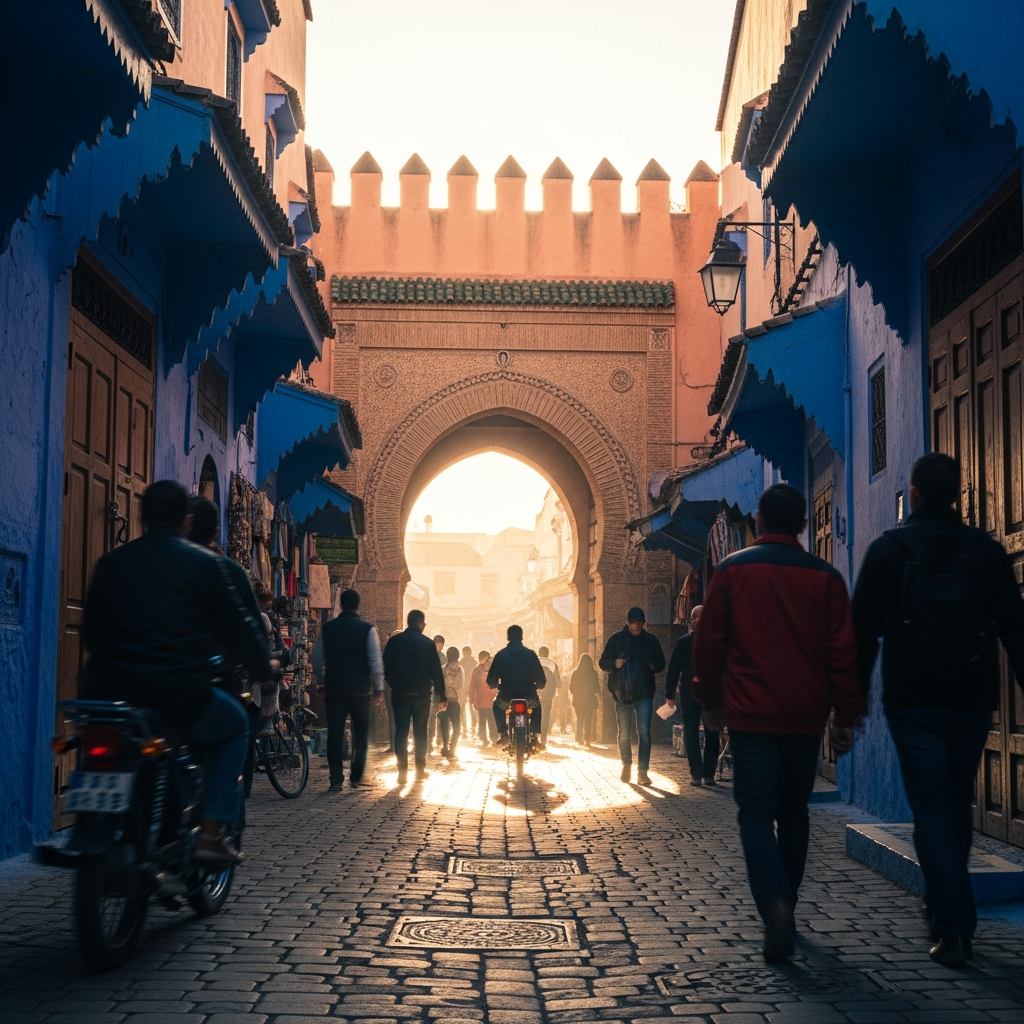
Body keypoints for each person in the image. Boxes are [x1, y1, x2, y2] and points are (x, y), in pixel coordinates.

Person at [852, 452, 1024, 965]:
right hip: (972, 697)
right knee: (954, 805)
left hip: (913, 698)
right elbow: (1016, 630)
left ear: (916, 493)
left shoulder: (890, 549)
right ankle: (944, 903)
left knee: (931, 807)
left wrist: (851, 700)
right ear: (958, 493)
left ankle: (953, 926)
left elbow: (862, 634)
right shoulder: (987, 552)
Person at [694, 483, 866, 963]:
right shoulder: (827, 578)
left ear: (759, 522)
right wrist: (845, 716)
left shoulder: (731, 572)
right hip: (804, 719)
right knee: (793, 811)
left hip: (750, 718)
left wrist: (709, 700)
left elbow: (709, 644)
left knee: (754, 812)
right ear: (804, 526)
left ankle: (774, 905)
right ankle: (786, 898)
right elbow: (842, 652)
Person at [82, 480, 272, 865]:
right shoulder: (208, 565)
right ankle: (210, 834)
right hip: (176, 693)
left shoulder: (111, 562)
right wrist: (262, 665)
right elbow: (239, 629)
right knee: (235, 726)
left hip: (108, 692)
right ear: (186, 521)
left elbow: (90, 632)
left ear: (142, 515)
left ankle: (93, 826)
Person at [311, 589, 384, 792]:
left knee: (335, 733)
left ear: (341, 605)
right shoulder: (367, 629)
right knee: (361, 733)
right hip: (361, 690)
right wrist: (378, 687)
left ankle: (336, 779)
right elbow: (375, 661)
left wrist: (320, 681)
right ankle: (356, 775)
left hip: (335, 688)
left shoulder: (328, 628)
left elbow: (317, 658)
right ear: (358, 604)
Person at [599, 607, 666, 786]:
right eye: (633, 623)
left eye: (639, 624)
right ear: (628, 622)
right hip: (621, 694)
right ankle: (626, 764)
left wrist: (654, 665)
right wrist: (614, 663)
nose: (636, 627)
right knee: (623, 733)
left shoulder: (650, 641)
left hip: (644, 693)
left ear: (643, 624)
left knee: (644, 732)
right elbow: (602, 662)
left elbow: (661, 662)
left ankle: (642, 771)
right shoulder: (617, 639)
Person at [383, 611, 446, 783]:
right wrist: (442, 695)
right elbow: (436, 672)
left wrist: (393, 682)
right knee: (420, 732)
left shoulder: (395, 642)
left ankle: (402, 772)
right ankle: (420, 769)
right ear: (420, 624)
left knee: (401, 732)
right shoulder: (427, 644)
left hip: (400, 693)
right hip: (422, 695)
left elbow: (386, 665)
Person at [665, 605, 719, 786]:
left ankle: (698, 775)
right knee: (710, 733)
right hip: (706, 694)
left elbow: (674, 669)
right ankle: (706, 775)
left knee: (693, 732)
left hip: (694, 694)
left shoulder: (684, 642)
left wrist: (670, 693)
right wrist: (670, 692)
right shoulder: (715, 642)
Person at [487, 625, 547, 746]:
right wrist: (539, 685)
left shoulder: (501, 655)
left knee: (497, 707)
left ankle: (503, 733)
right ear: (521, 637)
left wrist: (495, 685)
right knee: (536, 708)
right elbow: (541, 679)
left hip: (506, 695)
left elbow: (491, 678)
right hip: (528, 694)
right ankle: (535, 736)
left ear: (508, 637)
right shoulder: (531, 655)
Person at [438, 646, 466, 760]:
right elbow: (460, 685)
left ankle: (445, 747)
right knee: (456, 726)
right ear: (458, 656)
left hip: (443, 701)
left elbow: (438, 684)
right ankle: (452, 748)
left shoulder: (443, 668)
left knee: (444, 726)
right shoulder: (460, 669)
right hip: (455, 701)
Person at [568, 653, 599, 746]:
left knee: (580, 718)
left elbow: (571, 688)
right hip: (590, 699)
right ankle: (587, 739)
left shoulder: (575, 673)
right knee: (588, 719)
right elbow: (596, 687)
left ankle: (579, 738)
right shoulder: (594, 673)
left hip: (578, 700)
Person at [468, 651, 498, 745]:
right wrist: (471, 696)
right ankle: (487, 738)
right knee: (485, 719)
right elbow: (472, 684)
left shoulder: (488, 669)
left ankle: (490, 738)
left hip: (489, 698)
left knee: (489, 719)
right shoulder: (478, 669)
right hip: (482, 698)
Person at [537, 645, 563, 746]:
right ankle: (543, 739)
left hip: (534, 693)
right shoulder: (553, 664)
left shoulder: (532, 662)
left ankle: (533, 734)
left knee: (533, 712)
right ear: (548, 654)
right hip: (548, 694)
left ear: (538, 653)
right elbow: (559, 683)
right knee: (546, 715)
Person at [429, 633, 445, 753]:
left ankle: (434, 739)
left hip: (434, 690)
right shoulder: (441, 657)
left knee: (434, 716)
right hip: (435, 690)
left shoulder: (442, 657)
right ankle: (434, 738)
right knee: (435, 716)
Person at [459, 645, 477, 737]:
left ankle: (464, 728)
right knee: (473, 707)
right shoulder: (475, 663)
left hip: (462, 687)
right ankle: (473, 728)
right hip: (472, 687)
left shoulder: (460, 663)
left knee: (462, 708)